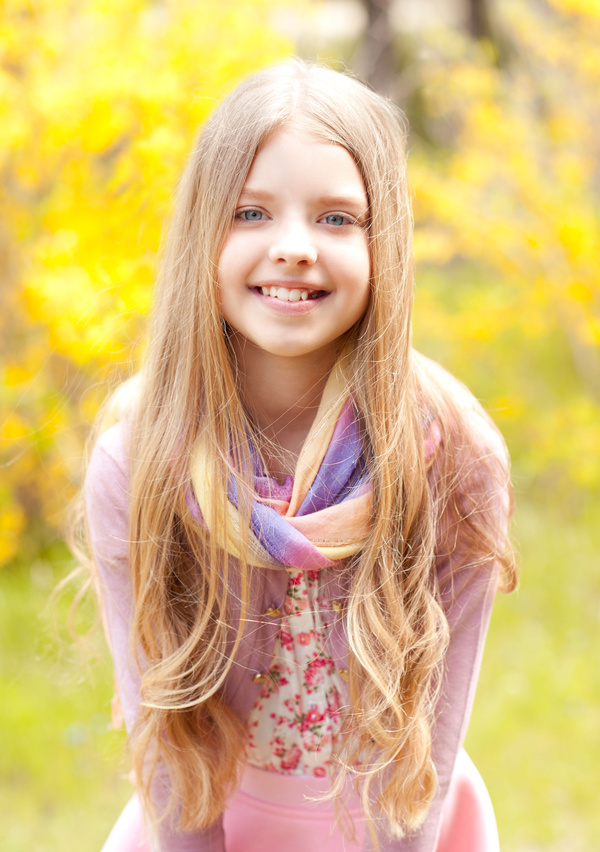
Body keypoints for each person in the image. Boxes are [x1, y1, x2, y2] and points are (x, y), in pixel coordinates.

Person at [79, 59, 517, 852]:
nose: (293, 248)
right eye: (251, 212)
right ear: (201, 234)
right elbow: (172, 759)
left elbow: (427, 745)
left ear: (387, 239)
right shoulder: (140, 460)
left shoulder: (453, 457)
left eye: (338, 218)